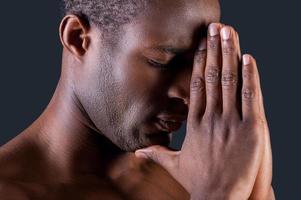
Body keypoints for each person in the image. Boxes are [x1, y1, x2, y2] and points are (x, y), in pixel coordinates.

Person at [0, 0, 275, 199]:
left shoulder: (199, 178)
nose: (190, 93)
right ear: (78, 38)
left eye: (197, 65)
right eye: (161, 61)